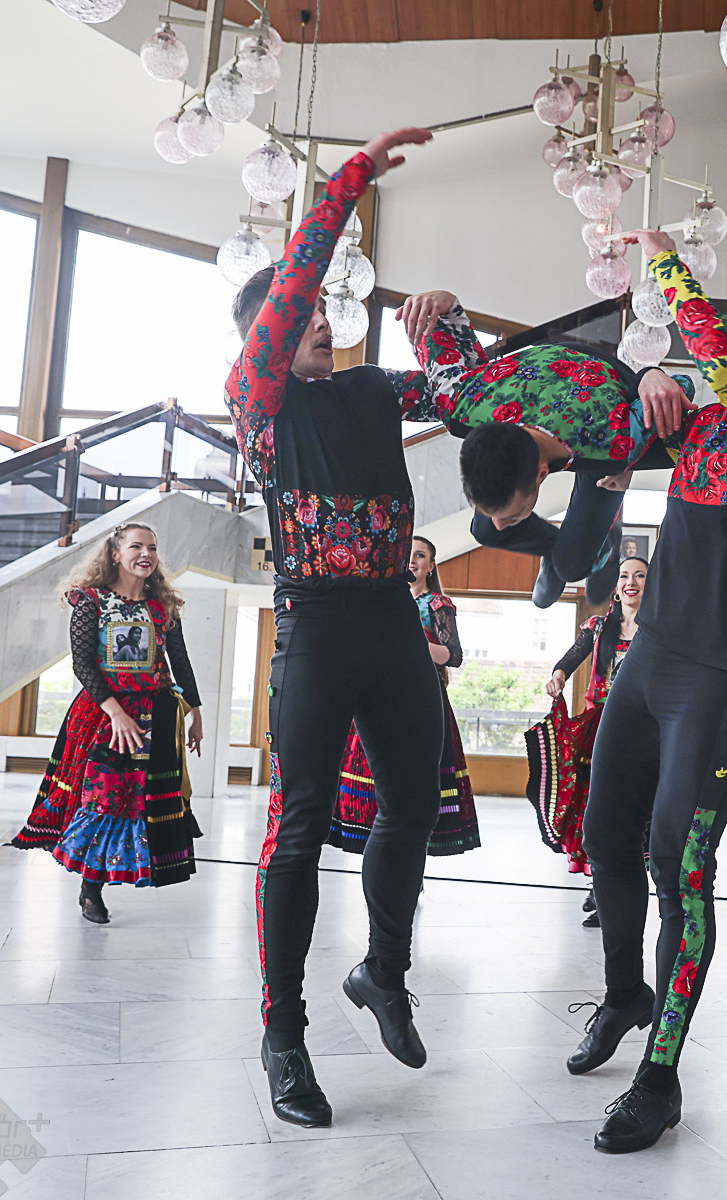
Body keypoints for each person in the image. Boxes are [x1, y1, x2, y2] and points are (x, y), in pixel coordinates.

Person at [225, 127, 469, 1130]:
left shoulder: (371, 390)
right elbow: (294, 284)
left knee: (411, 804)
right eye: (307, 314)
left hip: (390, 623)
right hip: (316, 628)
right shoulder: (260, 406)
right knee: (297, 833)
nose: (324, 320)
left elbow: (468, 400)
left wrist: (445, 324)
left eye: (328, 313)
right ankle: (283, 1035)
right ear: (266, 336)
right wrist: (351, 181)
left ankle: (382, 972)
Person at [571, 227, 727, 1155]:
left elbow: (714, 360)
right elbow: (608, 417)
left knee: (678, 870)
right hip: (648, 660)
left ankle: (661, 1076)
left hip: (721, 678)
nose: (726, 365)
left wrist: (669, 269)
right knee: (604, 838)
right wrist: (645, 376)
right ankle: (623, 993)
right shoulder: (709, 419)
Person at [390, 297, 697, 610]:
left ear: (542, 473)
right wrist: (444, 301)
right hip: (542, 386)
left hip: (600, 403)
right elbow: (442, 324)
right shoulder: (463, 405)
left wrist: (648, 375)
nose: (502, 522)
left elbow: (679, 388)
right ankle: (556, 550)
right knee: (485, 530)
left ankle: (605, 546)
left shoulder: (614, 443)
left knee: (572, 566)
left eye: (512, 515)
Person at [12, 523, 203, 923]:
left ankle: (112, 876)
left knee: (139, 800)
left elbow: (180, 661)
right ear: (116, 554)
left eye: (152, 547)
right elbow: (82, 664)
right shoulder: (91, 600)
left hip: (156, 714)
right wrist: (115, 712)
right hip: (103, 715)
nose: (146, 554)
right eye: (136, 546)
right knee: (104, 797)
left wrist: (196, 713)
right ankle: (90, 889)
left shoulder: (163, 606)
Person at [327, 536, 480, 857]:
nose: (412, 560)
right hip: (376, 695)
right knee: (377, 778)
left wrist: (413, 643)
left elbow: (453, 655)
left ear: (431, 566)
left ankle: (406, 858)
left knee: (414, 782)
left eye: (420, 555)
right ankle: (380, 853)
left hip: (421, 699)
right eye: (408, 554)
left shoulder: (436, 604)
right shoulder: (380, 601)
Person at [525, 558, 648, 925]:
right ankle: (600, 884)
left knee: (636, 808)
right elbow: (569, 660)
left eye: (640, 575)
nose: (631, 581)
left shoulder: (658, 628)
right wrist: (557, 677)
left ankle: (621, 886)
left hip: (644, 727)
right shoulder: (598, 627)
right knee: (596, 807)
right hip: (601, 728)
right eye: (624, 576)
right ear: (616, 586)